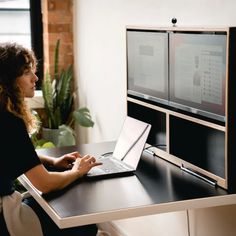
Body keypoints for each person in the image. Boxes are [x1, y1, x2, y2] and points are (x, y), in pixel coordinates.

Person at [0, 42, 101, 236]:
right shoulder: (9, 120)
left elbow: (14, 154)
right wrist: (77, 171)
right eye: (26, 72)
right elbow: (44, 183)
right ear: (9, 79)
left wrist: (52, 161)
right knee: (84, 225)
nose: (35, 78)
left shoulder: (4, 114)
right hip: (4, 219)